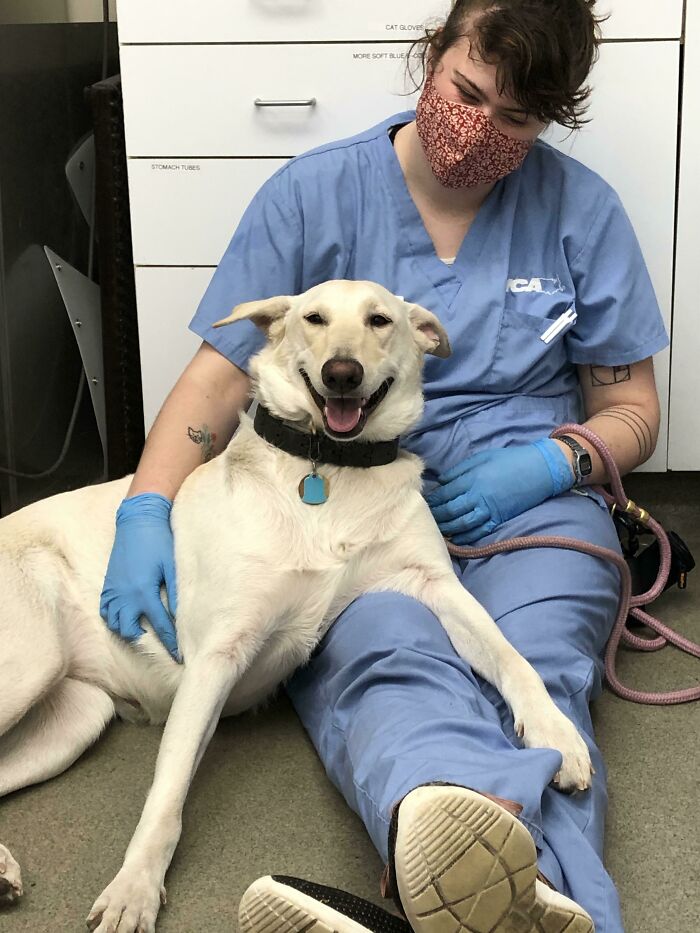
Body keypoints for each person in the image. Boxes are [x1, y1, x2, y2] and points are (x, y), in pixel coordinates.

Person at [100, 1, 668, 930]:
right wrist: (145, 508)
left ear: (548, 122)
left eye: (516, 119)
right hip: (348, 494)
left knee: (539, 670)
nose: (480, 128)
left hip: (529, 490)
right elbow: (216, 379)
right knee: (383, 658)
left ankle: (504, 894)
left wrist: (553, 459)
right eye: (466, 90)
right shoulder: (315, 193)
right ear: (430, 54)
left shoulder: (579, 211)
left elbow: (633, 408)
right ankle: (482, 866)